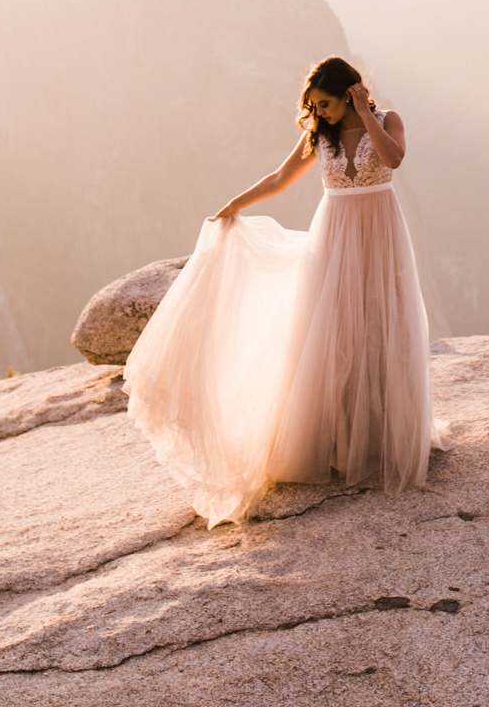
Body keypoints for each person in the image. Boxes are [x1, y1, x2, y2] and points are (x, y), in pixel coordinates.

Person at [124, 56, 434, 526]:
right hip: (334, 236)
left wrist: (364, 113)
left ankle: (378, 439)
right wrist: (233, 205)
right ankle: (333, 440)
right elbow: (280, 178)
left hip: (382, 236)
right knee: (331, 334)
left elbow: (393, 159)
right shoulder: (319, 136)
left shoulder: (387, 120)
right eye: (313, 106)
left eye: (326, 103)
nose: (320, 113)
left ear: (350, 92)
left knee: (382, 327)